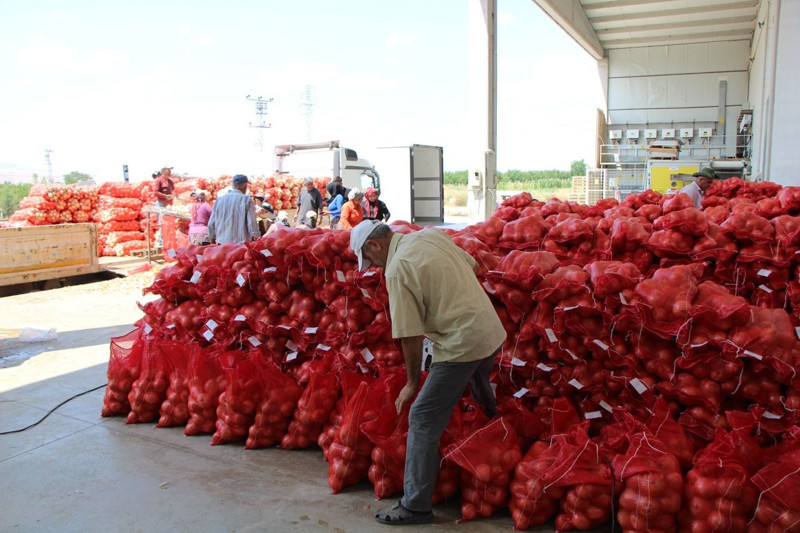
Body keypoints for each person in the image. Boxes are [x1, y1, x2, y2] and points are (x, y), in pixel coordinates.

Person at [349, 220, 506, 526]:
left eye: (370, 259)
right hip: (489, 330)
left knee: (422, 417)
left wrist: (410, 384)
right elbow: (471, 266)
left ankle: (415, 505)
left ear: (375, 245)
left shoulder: (397, 268)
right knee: (480, 395)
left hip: (461, 343)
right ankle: (499, 438)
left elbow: (409, 334)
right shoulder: (430, 236)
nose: (374, 266)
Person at [207, 174, 260, 244]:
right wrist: (256, 236)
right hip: (240, 245)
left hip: (222, 244)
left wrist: (212, 237)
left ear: (233, 186)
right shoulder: (246, 200)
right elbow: (251, 222)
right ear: (245, 186)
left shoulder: (219, 200)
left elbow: (211, 223)